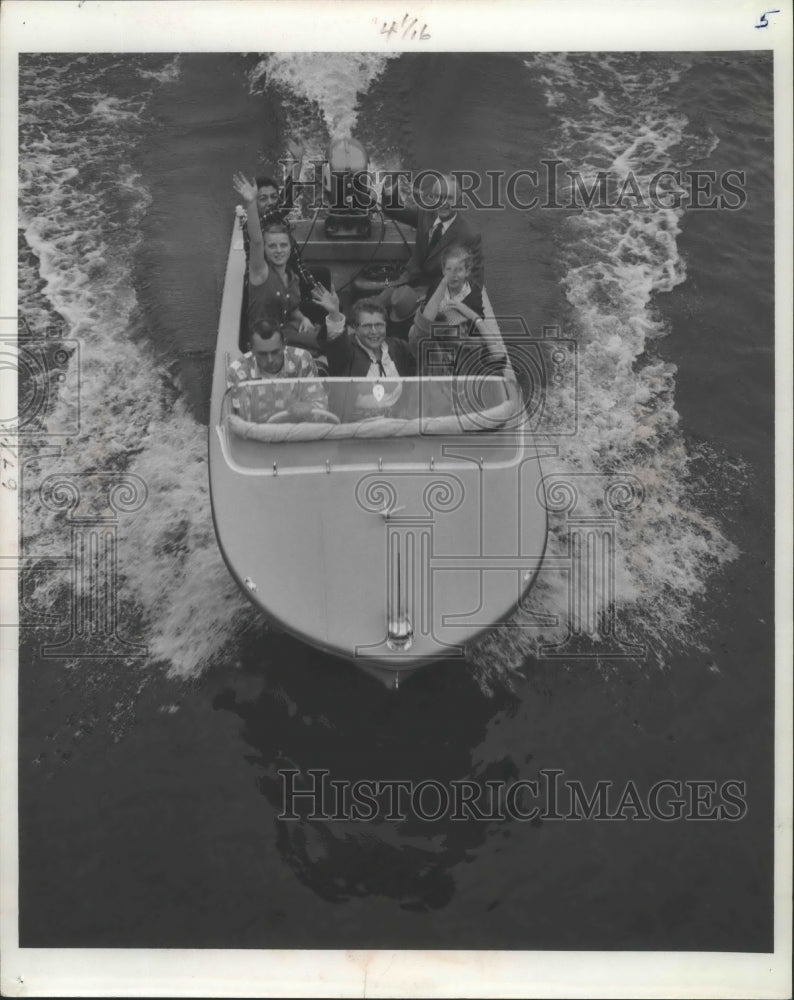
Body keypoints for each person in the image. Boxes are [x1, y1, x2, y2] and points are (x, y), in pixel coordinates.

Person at [233, 173, 319, 355]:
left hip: (286, 332)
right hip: (266, 342)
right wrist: (250, 203)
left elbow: (292, 310)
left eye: (283, 245)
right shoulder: (260, 272)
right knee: (323, 342)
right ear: (265, 249)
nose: (279, 250)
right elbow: (256, 240)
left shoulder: (291, 276)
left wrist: (303, 319)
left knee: (325, 332)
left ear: (290, 246)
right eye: (272, 246)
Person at [311, 288, 414, 420]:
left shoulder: (398, 348)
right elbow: (337, 345)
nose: (374, 331)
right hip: (355, 427)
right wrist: (334, 314)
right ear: (355, 327)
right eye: (366, 326)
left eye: (379, 325)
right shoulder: (347, 351)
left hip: (397, 425)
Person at [380, 173, 484, 295]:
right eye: (438, 197)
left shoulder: (470, 236)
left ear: (459, 200)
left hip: (438, 296)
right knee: (375, 304)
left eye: (449, 198)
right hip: (408, 281)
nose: (442, 203)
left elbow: (475, 284)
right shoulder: (426, 212)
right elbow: (393, 210)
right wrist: (389, 186)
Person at [227, 320, 328, 423]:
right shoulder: (237, 372)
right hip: (259, 435)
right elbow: (242, 421)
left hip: (299, 432)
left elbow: (320, 408)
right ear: (250, 349)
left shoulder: (302, 359)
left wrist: (308, 410)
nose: (270, 360)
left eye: (275, 352)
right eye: (262, 354)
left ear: (284, 344)